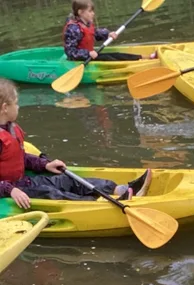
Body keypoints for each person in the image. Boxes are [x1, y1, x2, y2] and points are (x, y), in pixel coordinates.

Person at [0, 79, 152, 208]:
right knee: (52, 194)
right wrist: (11, 190)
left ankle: (120, 190)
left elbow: (20, 157)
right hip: (10, 192)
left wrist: (44, 164)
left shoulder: (10, 128)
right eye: (16, 103)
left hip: (24, 182)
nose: (18, 107)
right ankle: (101, 205)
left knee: (67, 180)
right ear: (5, 108)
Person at [63, 0, 154, 62]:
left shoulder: (86, 23)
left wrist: (108, 34)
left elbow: (94, 33)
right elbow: (70, 52)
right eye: (90, 11)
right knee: (111, 57)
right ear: (80, 12)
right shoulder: (73, 29)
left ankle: (144, 57)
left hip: (90, 55)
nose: (93, 13)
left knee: (116, 55)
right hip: (81, 59)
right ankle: (144, 59)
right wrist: (88, 53)